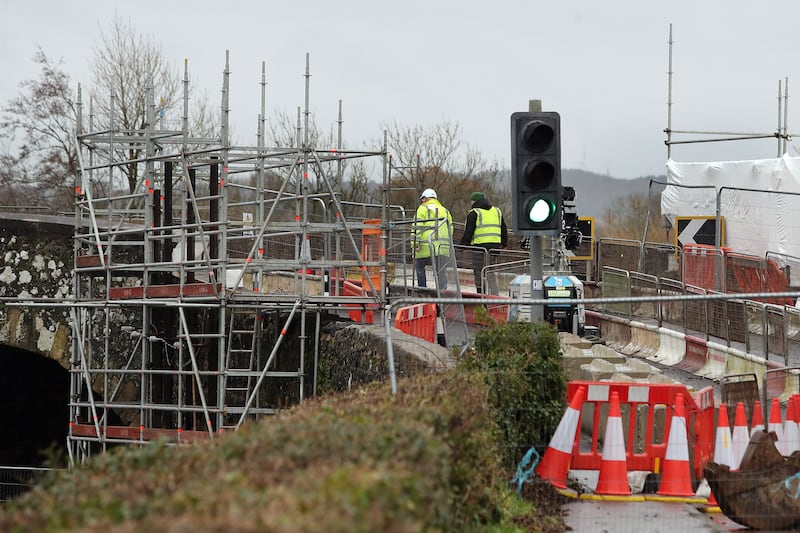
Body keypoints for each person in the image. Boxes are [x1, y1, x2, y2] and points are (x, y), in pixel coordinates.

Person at [460, 191, 508, 293]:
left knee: (478, 271)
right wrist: (504, 243)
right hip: (494, 247)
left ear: (474, 201)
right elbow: (503, 228)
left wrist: (462, 246)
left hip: (479, 248)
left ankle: (481, 294)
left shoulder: (474, 212)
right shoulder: (497, 211)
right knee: (490, 271)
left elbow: (469, 232)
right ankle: (494, 294)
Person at [414, 188, 453, 289]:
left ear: (426, 198)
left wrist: (415, 244)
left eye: (423, 199)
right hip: (442, 247)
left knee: (419, 267)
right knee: (440, 270)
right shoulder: (445, 211)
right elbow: (451, 229)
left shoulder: (422, 209)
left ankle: (422, 290)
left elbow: (417, 228)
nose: (422, 201)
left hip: (426, 245)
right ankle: (443, 292)